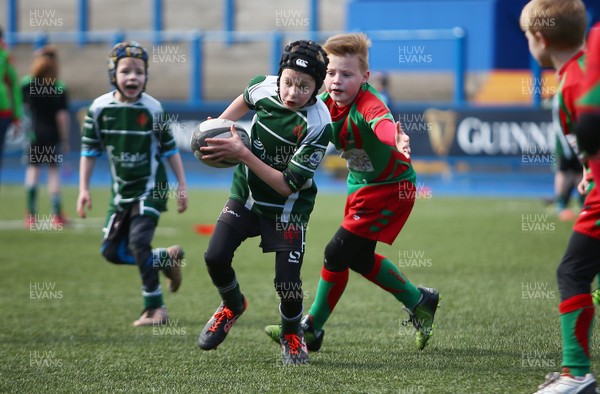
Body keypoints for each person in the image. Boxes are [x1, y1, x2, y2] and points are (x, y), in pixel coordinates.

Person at [265, 33, 439, 352]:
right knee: (358, 258)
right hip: (360, 185)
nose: (336, 81)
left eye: (346, 74)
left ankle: (310, 329)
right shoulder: (323, 104)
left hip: (389, 188)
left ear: (365, 78)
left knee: (335, 253)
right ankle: (420, 301)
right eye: (331, 73)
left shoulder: (370, 104)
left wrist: (395, 140)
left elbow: (382, 124)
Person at [196, 40, 332, 365]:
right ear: (279, 74)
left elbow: (287, 186)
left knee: (287, 284)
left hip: (287, 211)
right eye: (288, 81)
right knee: (214, 256)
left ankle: (290, 333)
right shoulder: (263, 86)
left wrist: (242, 153)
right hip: (246, 196)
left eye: (303, 86)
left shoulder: (319, 124)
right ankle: (232, 305)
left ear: (317, 87)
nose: (292, 91)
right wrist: (218, 128)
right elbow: (244, 100)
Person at [76, 41, 188, 327]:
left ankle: (156, 309)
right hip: (121, 192)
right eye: (126, 71)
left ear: (146, 76)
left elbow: (169, 150)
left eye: (139, 71)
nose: (133, 77)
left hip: (151, 188)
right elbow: (89, 152)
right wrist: (83, 190)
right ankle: (164, 258)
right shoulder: (99, 109)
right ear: (113, 74)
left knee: (138, 242)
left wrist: (182, 186)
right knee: (112, 252)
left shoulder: (153, 109)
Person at [521, 1, 599, 392]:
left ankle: (576, 374)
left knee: (573, 272)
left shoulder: (574, 80)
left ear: (539, 38)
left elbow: (589, 127)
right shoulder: (582, 69)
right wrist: (588, 173)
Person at [22, 45, 70, 226]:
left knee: (33, 171)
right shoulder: (59, 87)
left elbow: (23, 106)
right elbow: (62, 116)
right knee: (53, 173)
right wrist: (65, 140)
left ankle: (31, 215)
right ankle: (57, 215)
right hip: (52, 135)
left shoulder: (27, 85)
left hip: (35, 134)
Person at [0, 26, 23, 187]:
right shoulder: (5, 54)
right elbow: (13, 85)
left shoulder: (5, 55)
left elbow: (14, 86)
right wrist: (17, 116)